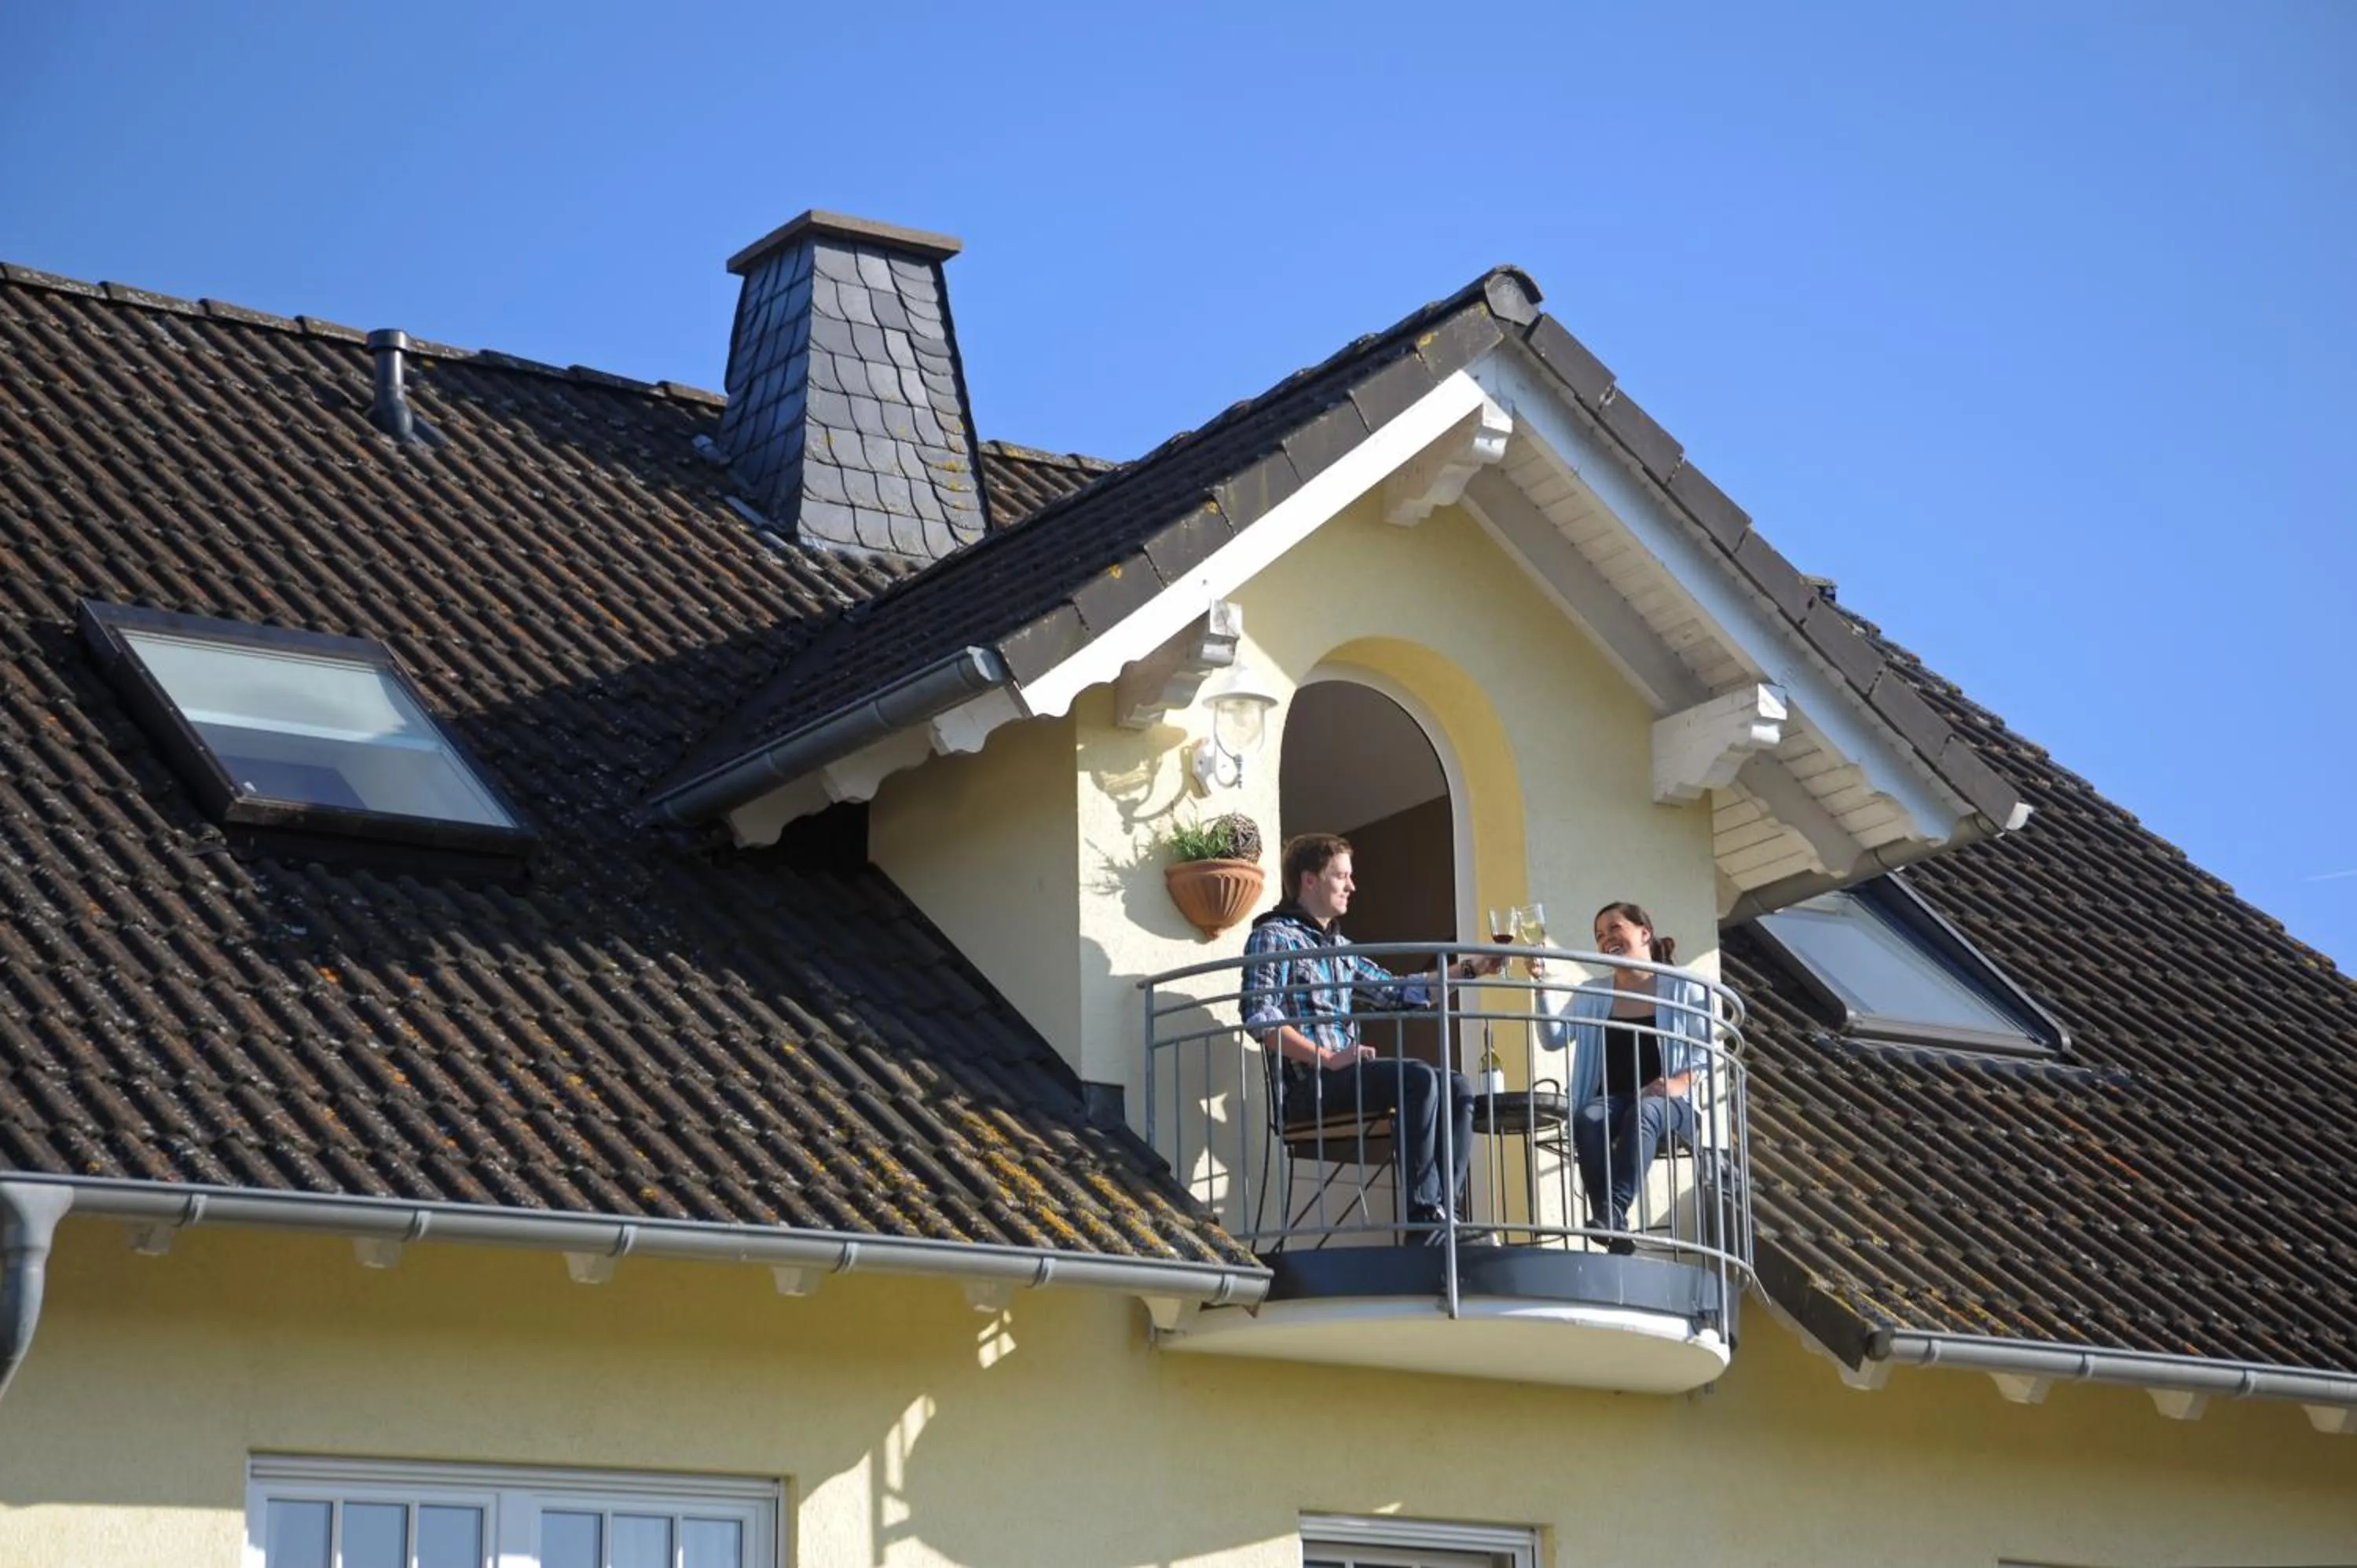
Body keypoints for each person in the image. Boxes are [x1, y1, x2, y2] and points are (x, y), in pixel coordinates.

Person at [1241, 833, 1501, 1244]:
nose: (1352, 886)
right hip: (1308, 1088)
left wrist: (1471, 969)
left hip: (1344, 1078)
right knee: (1417, 1078)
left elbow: (1399, 991)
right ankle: (1424, 1218)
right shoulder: (1273, 936)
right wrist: (1328, 1058)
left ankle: (1444, 1215)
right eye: (1341, 876)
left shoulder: (1340, 948)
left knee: (1457, 1085)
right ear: (1309, 880)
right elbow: (1260, 1019)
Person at [1531, 901, 1717, 1255]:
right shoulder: (1594, 992)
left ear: (1645, 933)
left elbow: (1708, 1050)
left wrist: (1679, 1082)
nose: (1606, 939)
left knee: (1644, 1111)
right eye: (1599, 935)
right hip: (1613, 1102)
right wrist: (1540, 986)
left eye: (1615, 928)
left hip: (1671, 1104)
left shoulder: (1683, 987)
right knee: (1586, 1118)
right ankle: (1614, 1226)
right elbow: (1554, 1039)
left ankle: (1611, 1213)